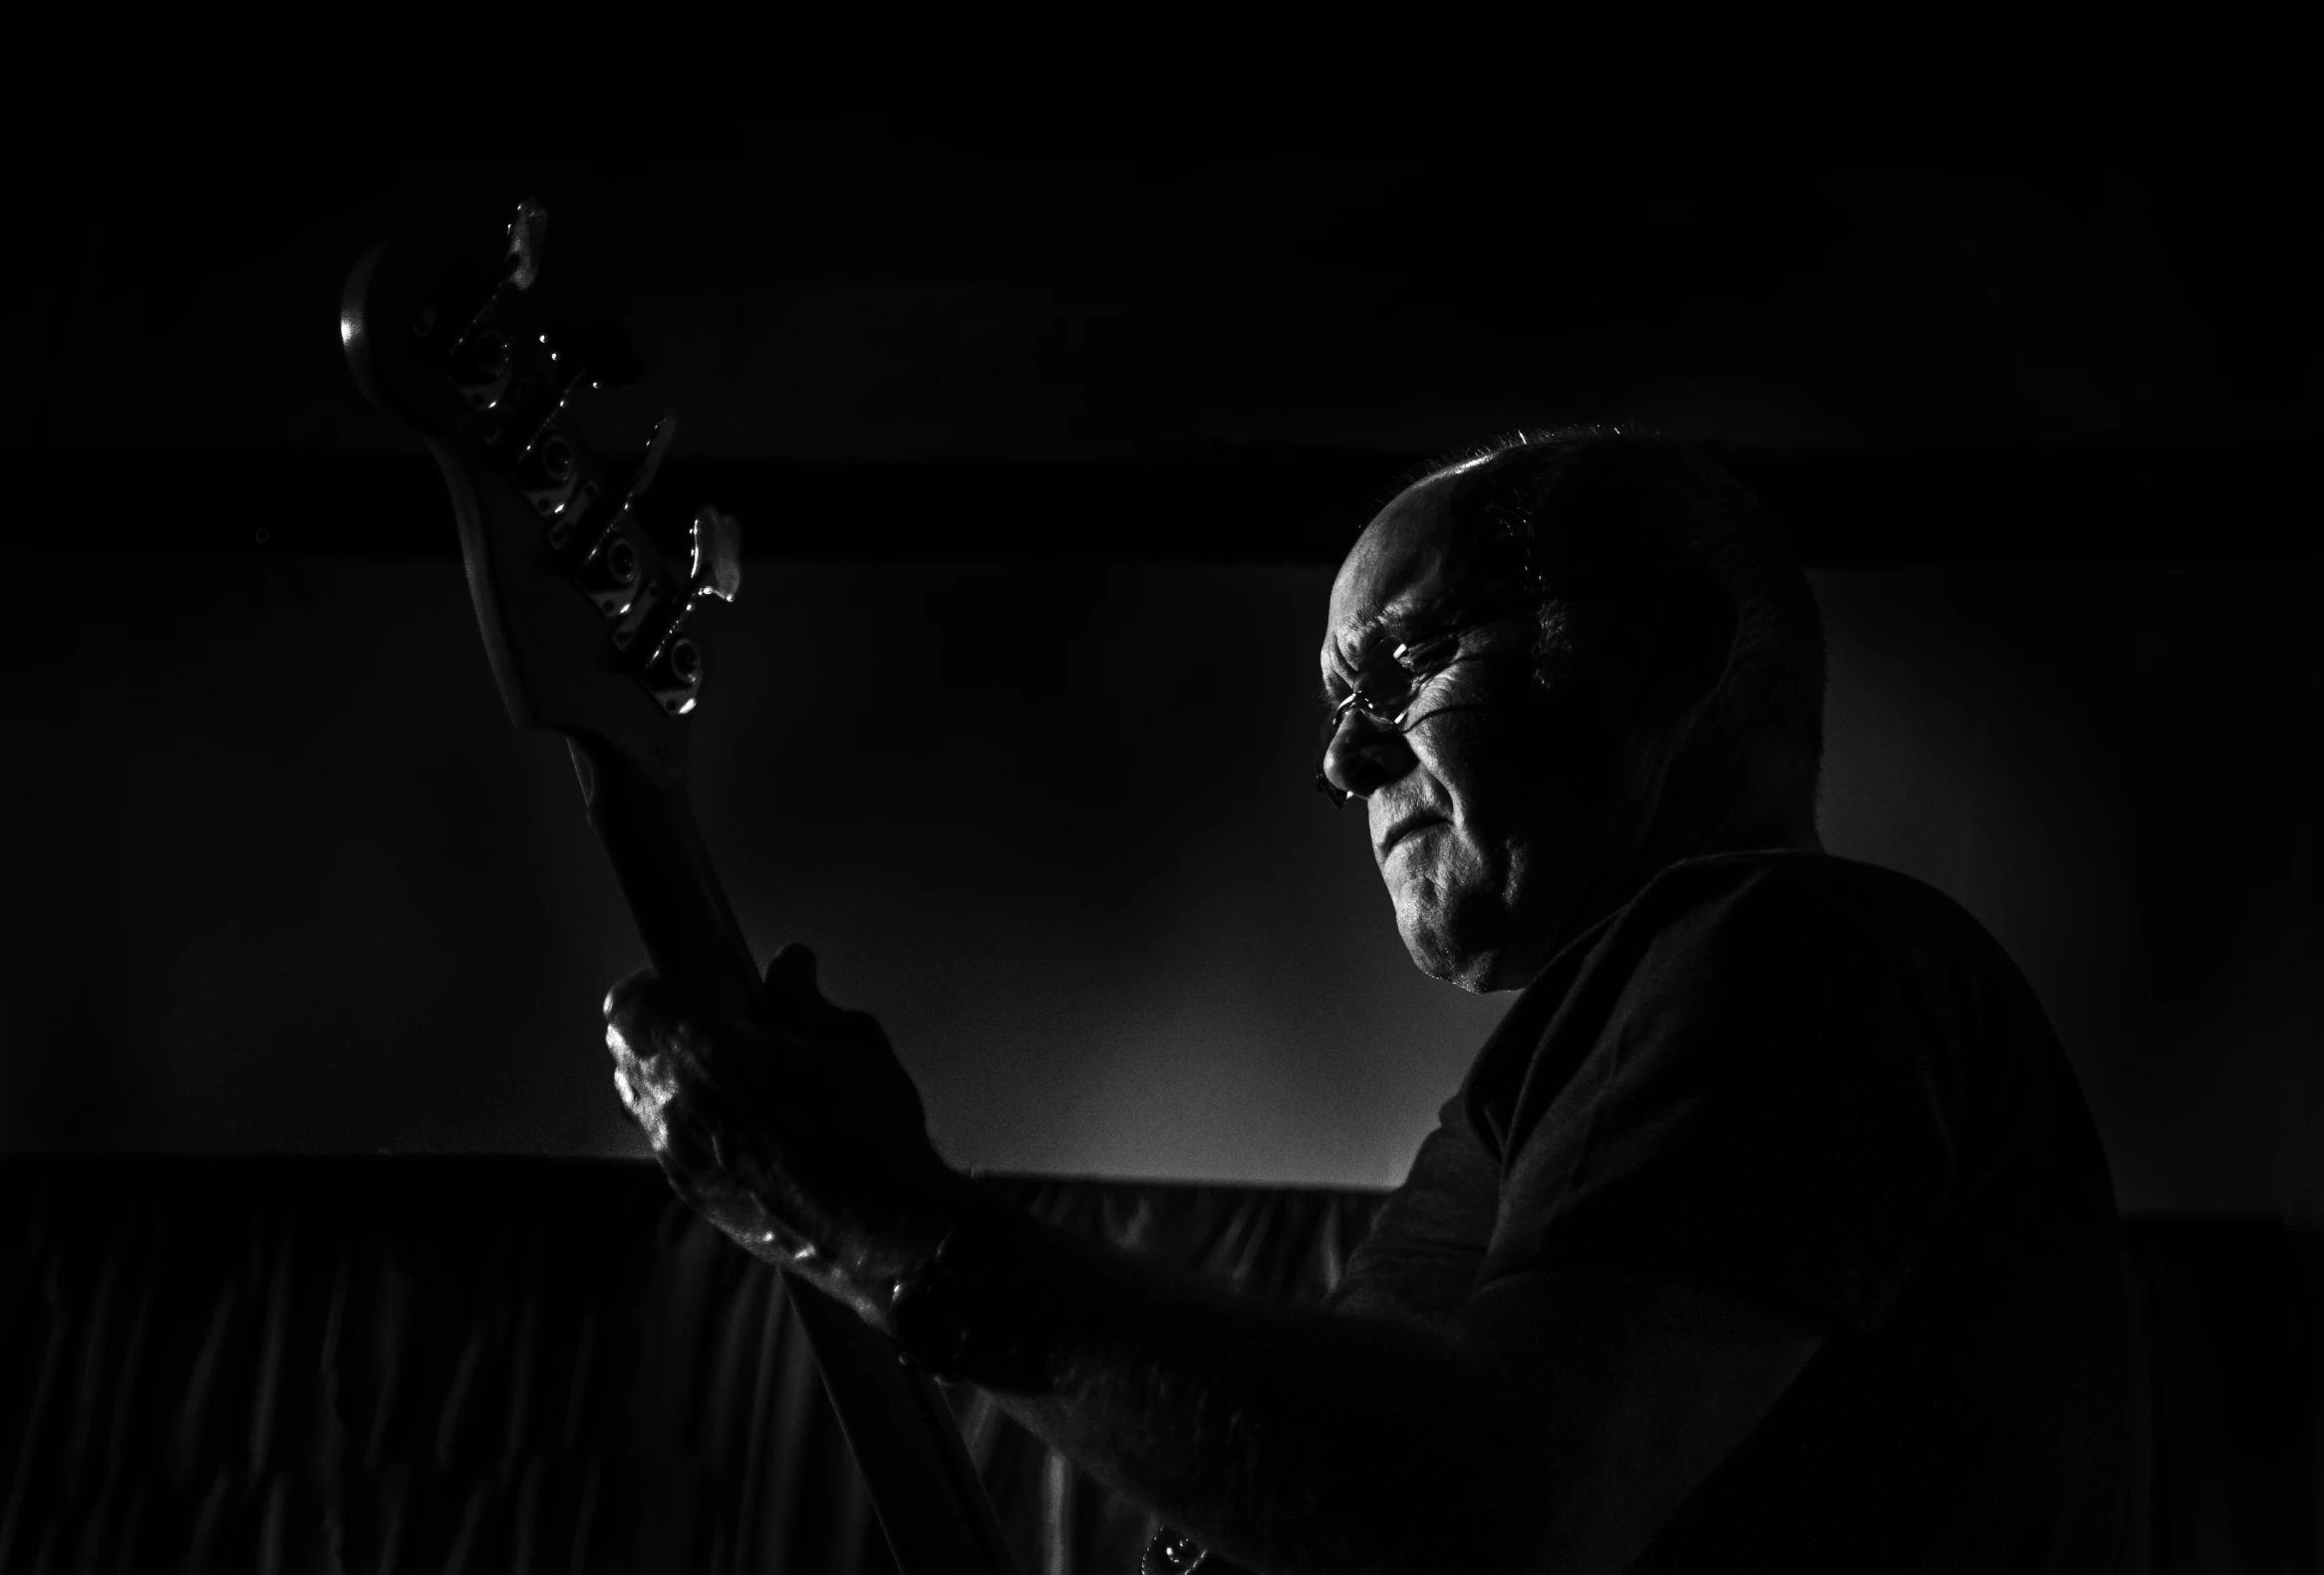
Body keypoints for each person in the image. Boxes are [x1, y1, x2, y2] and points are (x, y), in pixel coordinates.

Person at [605, 427, 2134, 1574]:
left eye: (1401, 665)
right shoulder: (1600, 1051)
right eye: (1334, 713)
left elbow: (1484, 1517)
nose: (1341, 768)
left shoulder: (1801, 954)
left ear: (1670, 651)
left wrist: (891, 1226)